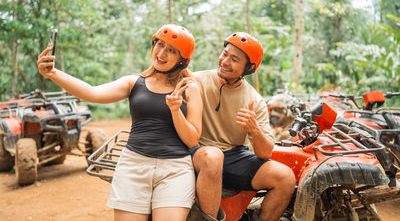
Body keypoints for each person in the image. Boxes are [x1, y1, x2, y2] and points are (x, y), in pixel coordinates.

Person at [37, 24, 203, 221]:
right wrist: (53, 73)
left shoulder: (190, 88)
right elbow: (93, 93)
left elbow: (193, 140)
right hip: (134, 165)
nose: (161, 53)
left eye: (171, 50)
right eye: (159, 44)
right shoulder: (134, 82)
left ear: (182, 60)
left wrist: (176, 111)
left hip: (174, 169)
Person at [191, 32, 296, 221]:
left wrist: (254, 130)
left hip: (233, 155)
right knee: (213, 157)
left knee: (285, 177)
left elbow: (264, 153)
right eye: (225, 54)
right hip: (198, 151)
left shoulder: (254, 100)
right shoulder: (196, 80)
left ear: (248, 68)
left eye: (234, 59)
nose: (225, 61)